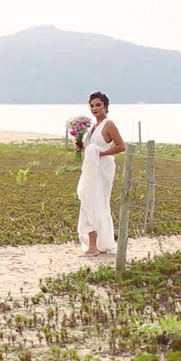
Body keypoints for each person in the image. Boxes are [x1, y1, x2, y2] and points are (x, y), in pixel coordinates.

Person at [77, 92, 126, 257]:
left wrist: (101, 154)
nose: (95, 108)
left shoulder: (108, 124)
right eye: (92, 105)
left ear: (105, 106)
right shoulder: (93, 127)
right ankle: (95, 245)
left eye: (98, 105)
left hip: (103, 169)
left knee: (98, 204)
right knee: (88, 203)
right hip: (92, 169)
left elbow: (121, 146)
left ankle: (95, 247)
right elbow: (91, 147)